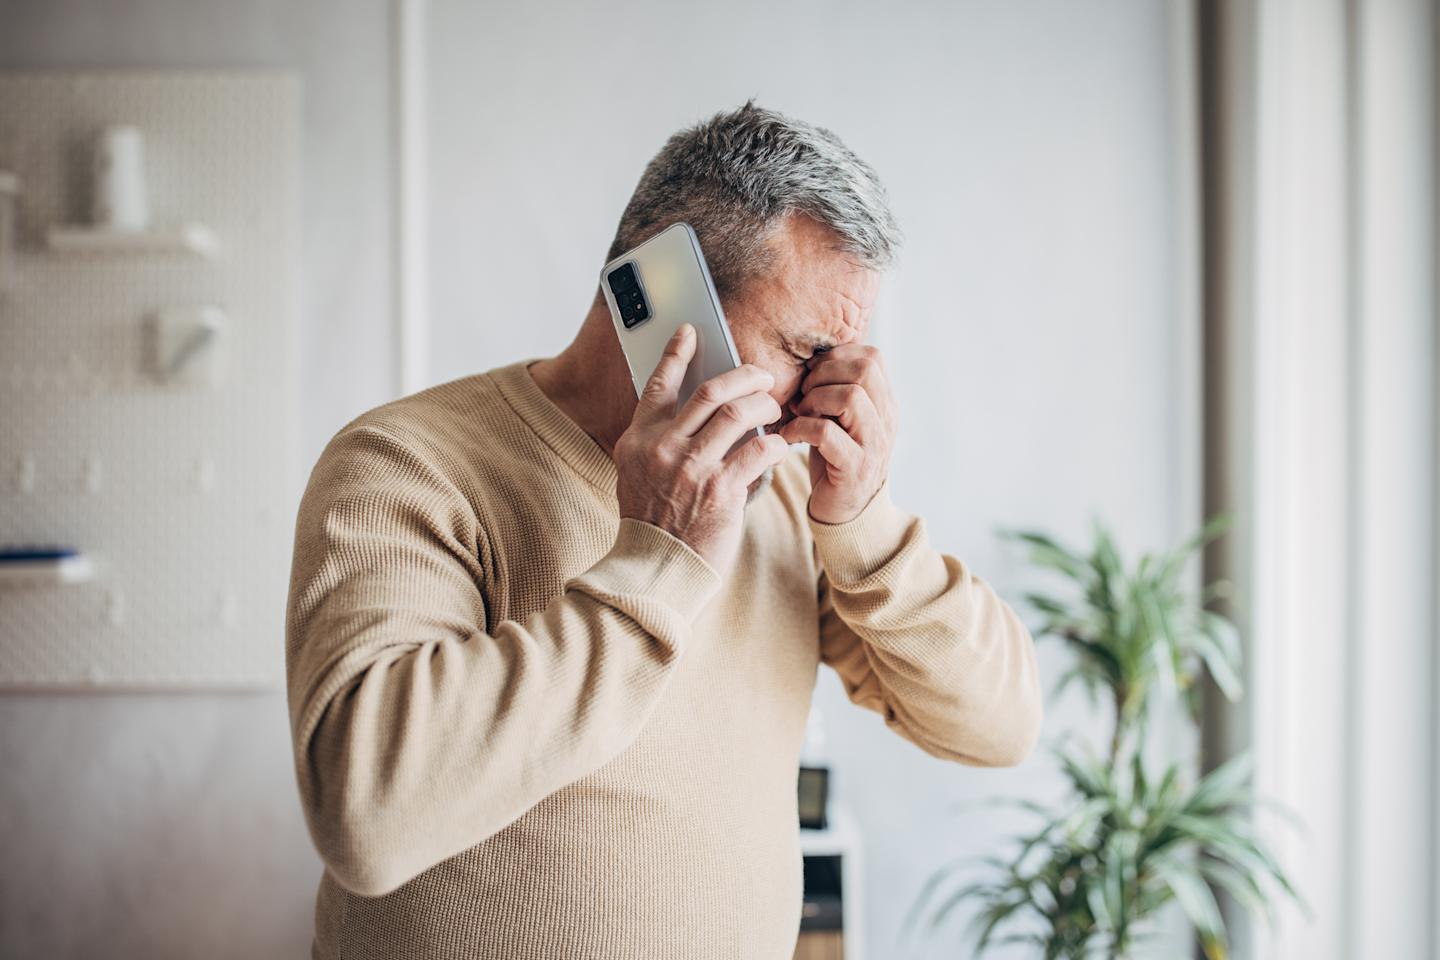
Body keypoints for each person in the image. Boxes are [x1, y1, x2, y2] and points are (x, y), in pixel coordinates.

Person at [284, 100, 1042, 960]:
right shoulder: (408, 464)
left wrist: (864, 528)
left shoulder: (786, 494)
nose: (821, 399)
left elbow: (999, 726)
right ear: (658, 291)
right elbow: (366, 817)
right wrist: (659, 559)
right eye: (804, 352)